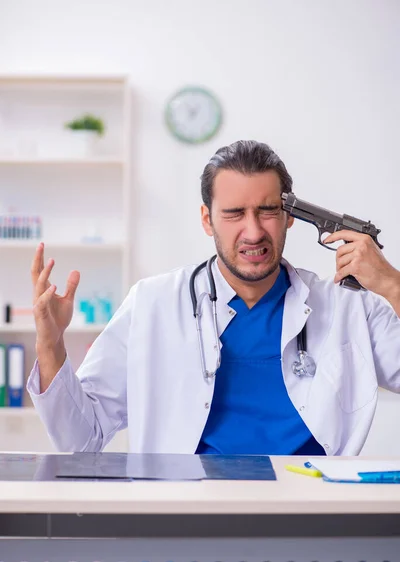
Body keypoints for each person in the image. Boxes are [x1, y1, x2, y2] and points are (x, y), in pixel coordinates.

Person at [27, 140, 400, 455]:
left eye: (267, 211)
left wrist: (392, 285)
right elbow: (81, 439)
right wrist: (50, 344)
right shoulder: (152, 304)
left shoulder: (348, 308)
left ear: (288, 217)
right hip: (188, 517)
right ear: (207, 219)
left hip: (313, 515)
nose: (253, 232)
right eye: (234, 214)